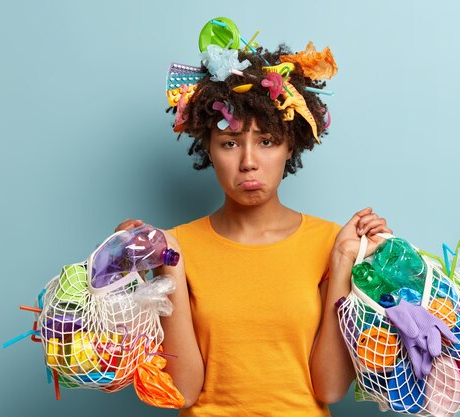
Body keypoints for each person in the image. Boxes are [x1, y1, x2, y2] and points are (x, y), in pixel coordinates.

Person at [116, 42, 392, 417]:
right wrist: (167, 263)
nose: (248, 162)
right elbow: (183, 393)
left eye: (266, 141)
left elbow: (329, 387)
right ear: (209, 149)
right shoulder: (175, 245)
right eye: (230, 143)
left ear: (290, 146)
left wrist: (344, 260)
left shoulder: (331, 243)